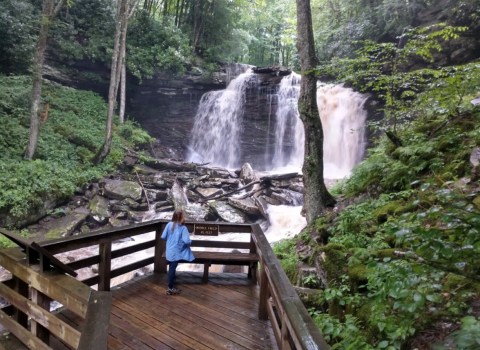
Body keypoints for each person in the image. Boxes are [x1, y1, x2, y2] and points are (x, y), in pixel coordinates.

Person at [161, 210, 194, 295]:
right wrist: (190, 242)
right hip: (176, 252)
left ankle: (171, 285)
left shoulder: (168, 225)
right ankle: (170, 289)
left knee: (171, 268)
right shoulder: (183, 228)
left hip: (169, 251)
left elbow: (163, 237)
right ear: (181, 217)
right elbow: (187, 241)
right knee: (172, 269)